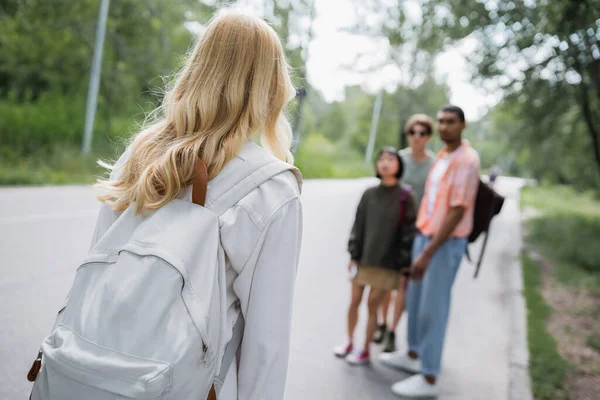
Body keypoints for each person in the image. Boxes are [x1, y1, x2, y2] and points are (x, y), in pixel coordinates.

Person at [89, 13, 302, 399]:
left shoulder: (140, 155)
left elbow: (97, 265)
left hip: (94, 371)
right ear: (270, 87)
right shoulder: (270, 187)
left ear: (198, 68)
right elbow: (265, 345)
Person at [381, 105, 480, 398]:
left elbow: (458, 210)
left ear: (463, 125)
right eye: (441, 121)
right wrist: (418, 241)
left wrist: (429, 251)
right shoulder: (443, 155)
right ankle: (412, 355)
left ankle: (429, 376)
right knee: (414, 298)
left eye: (451, 122)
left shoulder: (466, 160)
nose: (444, 126)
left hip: (443, 243)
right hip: (424, 237)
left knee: (433, 308)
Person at [333, 147, 417, 365]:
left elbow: (409, 232)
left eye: (390, 159)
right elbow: (357, 225)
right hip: (363, 259)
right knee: (354, 301)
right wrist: (353, 253)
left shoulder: (406, 196)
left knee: (373, 305)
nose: (385, 163)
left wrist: (403, 263)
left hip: (387, 263)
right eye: (381, 159)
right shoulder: (369, 193)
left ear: (399, 165)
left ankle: (365, 349)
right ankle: (349, 341)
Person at [375, 114, 436, 353]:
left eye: (422, 133)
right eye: (412, 132)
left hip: (416, 230)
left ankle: (392, 330)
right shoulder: (399, 159)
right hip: (392, 227)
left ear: (428, 136)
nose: (417, 137)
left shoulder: (433, 164)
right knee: (385, 280)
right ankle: (381, 322)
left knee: (403, 282)